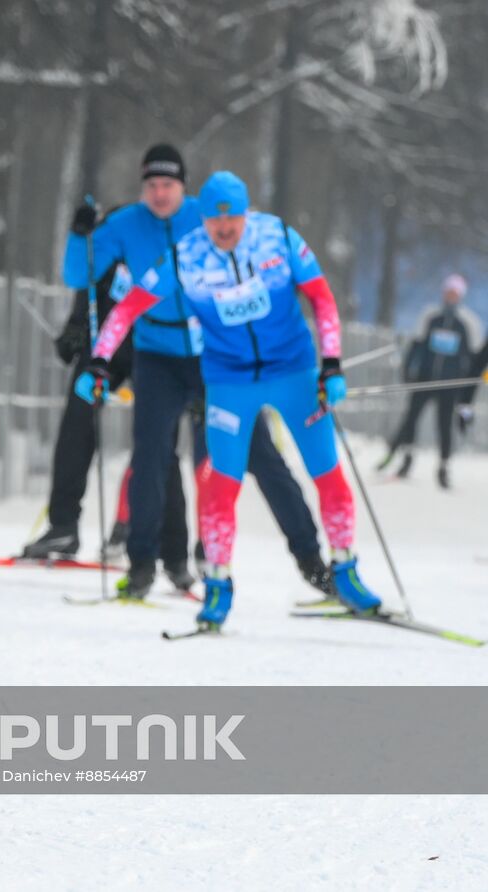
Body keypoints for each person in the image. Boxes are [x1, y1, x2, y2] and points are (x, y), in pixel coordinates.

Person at [77, 170, 385, 629]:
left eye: (233, 222)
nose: (225, 232)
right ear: (201, 220)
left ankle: (345, 572)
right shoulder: (185, 256)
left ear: (246, 214)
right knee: (221, 484)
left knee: (327, 472)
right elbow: (128, 308)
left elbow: (321, 298)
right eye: (215, 224)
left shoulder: (277, 237)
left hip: (293, 372)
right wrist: (99, 362)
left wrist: (332, 363)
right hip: (228, 380)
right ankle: (218, 586)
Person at [60, 145, 328, 598]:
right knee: (150, 456)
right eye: (151, 185)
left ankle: (311, 558)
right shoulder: (127, 223)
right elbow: (77, 275)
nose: (159, 193)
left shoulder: (207, 218)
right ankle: (142, 563)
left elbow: (255, 259)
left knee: (253, 456)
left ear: (184, 187)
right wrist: (78, 235)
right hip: (157, 353)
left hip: (215, 355)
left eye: (168, 185)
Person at [22, 247, 192, 584]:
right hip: (108, 347)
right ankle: (63, 525)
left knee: (159, 444)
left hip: (156, 350)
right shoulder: (115, 239)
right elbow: (91, 283)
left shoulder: (179, 243)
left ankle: (172, 551)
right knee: (77, 420)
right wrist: (75, 326)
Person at [378, 274, 483, 488]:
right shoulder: (430, 316)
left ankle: (443, 466)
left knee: (444, 424)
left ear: (460, 295)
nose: (451, 296)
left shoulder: (468, 323)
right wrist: (408, 370)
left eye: (455, 293)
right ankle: (406, 458)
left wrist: (464, 387)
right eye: (448, 291)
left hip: (448, 384)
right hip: (424, 379)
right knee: (411, 419)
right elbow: (416, 346)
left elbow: (472, 360)